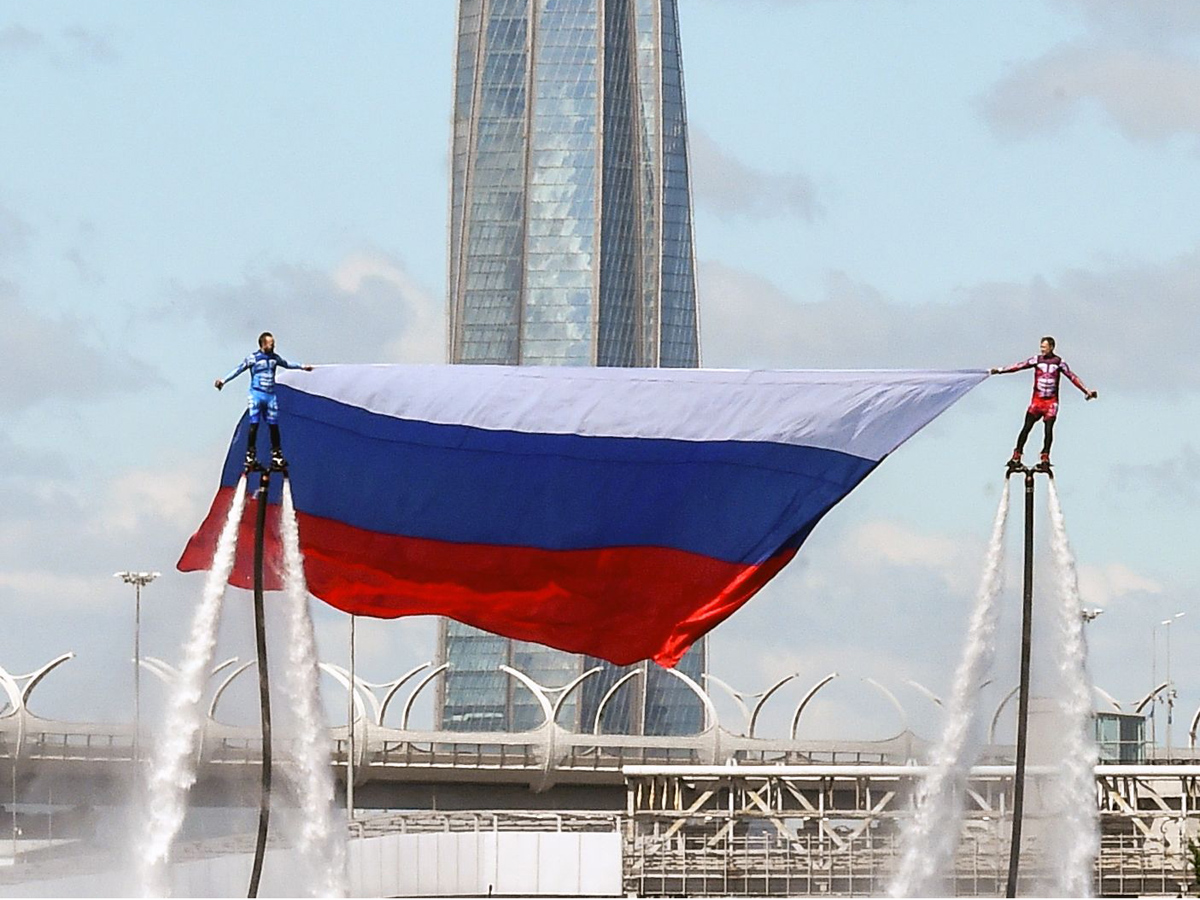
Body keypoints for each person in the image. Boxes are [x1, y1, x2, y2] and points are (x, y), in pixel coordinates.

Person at [990, 336, 1097, 472]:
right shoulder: (1036, 360)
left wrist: (1086, 391)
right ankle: (1017, 455)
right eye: (1041, 347)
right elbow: (1018, 366)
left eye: (1044, 347)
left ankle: (1045, 456)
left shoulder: (1059, 362)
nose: (1042, 349)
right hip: (1037, 401)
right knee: (1026, 427)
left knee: (1048, 429)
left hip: (1051, 403)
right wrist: (1000, 370)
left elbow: (1072, 377)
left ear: (1052, 347)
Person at [215, 332, 313, 469]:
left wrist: (302, 367)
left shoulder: (274, 358)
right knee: (254, 424)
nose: (273, 346)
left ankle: (277, 455)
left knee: (274, 426)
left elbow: (286, 364)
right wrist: (223, 380)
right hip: (256, 395)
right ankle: (250, 455)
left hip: (270, 396)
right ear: (263, 344)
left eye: (273, 343)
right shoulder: (253, 358)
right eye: (270, 343)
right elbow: (238, 369)